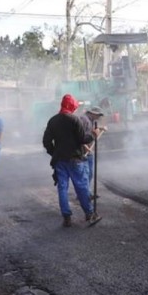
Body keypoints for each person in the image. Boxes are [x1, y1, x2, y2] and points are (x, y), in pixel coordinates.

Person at [42, 94, 102, 228]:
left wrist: (54, 153)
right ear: (72, 106)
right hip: (75, 159)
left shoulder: (53, 120)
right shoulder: (75, 120)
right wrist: (94, 134)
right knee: (81, 187)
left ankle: (66, 217)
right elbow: (83, 139)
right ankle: (90, 213)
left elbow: (46, 141)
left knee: (62, 188)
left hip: (60, 161)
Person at [79, 106, 107, 190]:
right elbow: (78, 136)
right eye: (98, 115)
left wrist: (101, 128)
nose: (99, 117)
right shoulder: (83, 120)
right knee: (85, 173)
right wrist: (85, 147)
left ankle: (86, 191)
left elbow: (92, 131)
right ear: (92, 113)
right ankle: (84, 193)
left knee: (90, 173)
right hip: (83, 151)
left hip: (89, 151)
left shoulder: (92, 120)